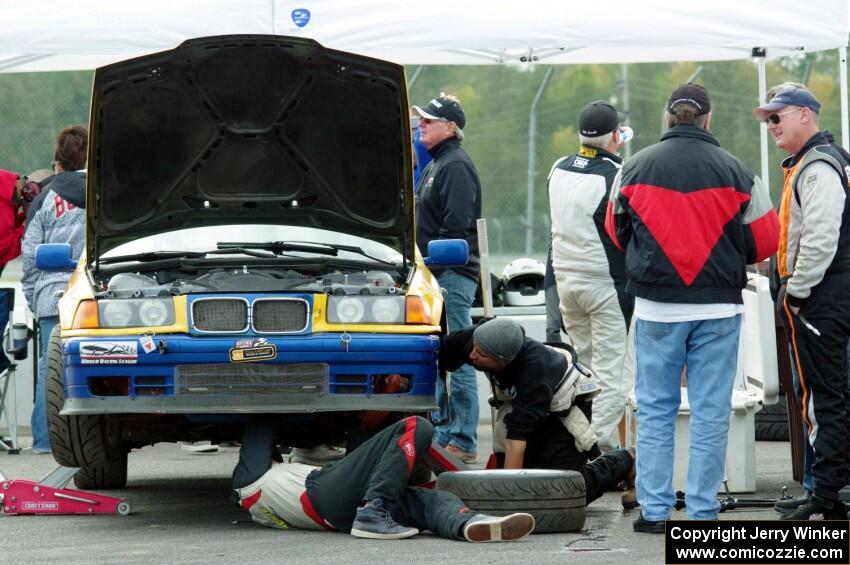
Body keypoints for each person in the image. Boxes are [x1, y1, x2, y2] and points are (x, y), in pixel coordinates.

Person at [606, 83, 779, 532]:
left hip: (657, 307)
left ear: (668, 117)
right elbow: (766, 240)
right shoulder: (739, 172)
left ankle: (656, 511)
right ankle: (703, 512)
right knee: (710, 410)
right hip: (718, 308)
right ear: (707, 119)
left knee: (656, 410)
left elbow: (614, 228)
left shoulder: (633, 168)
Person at [753, 84, 850, 520]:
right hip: (827, 294)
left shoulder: (818, 167)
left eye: (778, 116)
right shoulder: (814, 162)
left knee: (823, 398)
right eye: (767, 118)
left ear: (806, 115)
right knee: (828, 395)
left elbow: (820, 238)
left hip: (821, 298)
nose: (771, 125)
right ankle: (827, 491)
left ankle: (826, 499)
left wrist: (795, 293)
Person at [232, 414, 535, 542]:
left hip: (337, 513)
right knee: (416, 426)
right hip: (324, 495)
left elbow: (357, 459)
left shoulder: (262, 501)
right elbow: (261, 422)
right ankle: (374, 512)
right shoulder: (249, 480)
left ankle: (470, 524)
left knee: (430, 502)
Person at [438, 317, 635, 507]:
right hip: (524, 404)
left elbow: (516, 438)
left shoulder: (535, 372)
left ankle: (624, 461)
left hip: (562, 414)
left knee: (559, 493)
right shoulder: (479, 338)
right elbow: (433, 353)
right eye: (474, 348)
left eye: (481, 355)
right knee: (508, 480)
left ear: (503, 360)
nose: (472, 355)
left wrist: (510, 503)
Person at [548, 101, 633, 452]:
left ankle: (604, 446)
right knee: (616, 376)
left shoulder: (558, 167)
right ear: (616, 136)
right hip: (606, 284)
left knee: (585, 371)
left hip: (567, 282)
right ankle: (590, 452)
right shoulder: (619, 174)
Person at [413, 94, 482, 464]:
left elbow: (456, 226)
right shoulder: (437, 163)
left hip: (451, 274)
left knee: (461, 357)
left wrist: (435, 263)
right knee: (436, 357)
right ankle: (441, 433)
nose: (421, 123)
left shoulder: (455, 165)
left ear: (451, 127)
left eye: (429, 119)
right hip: (433, 275)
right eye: (421, 119)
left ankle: (463, 439)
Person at [21, 125, 88, 453]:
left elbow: (31, 256)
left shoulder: (46, 197)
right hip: (96, 297)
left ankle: (45, 443)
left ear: (58, 162)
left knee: (51, 372)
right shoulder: (106, 194)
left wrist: (35, 299)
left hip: (53, 299)